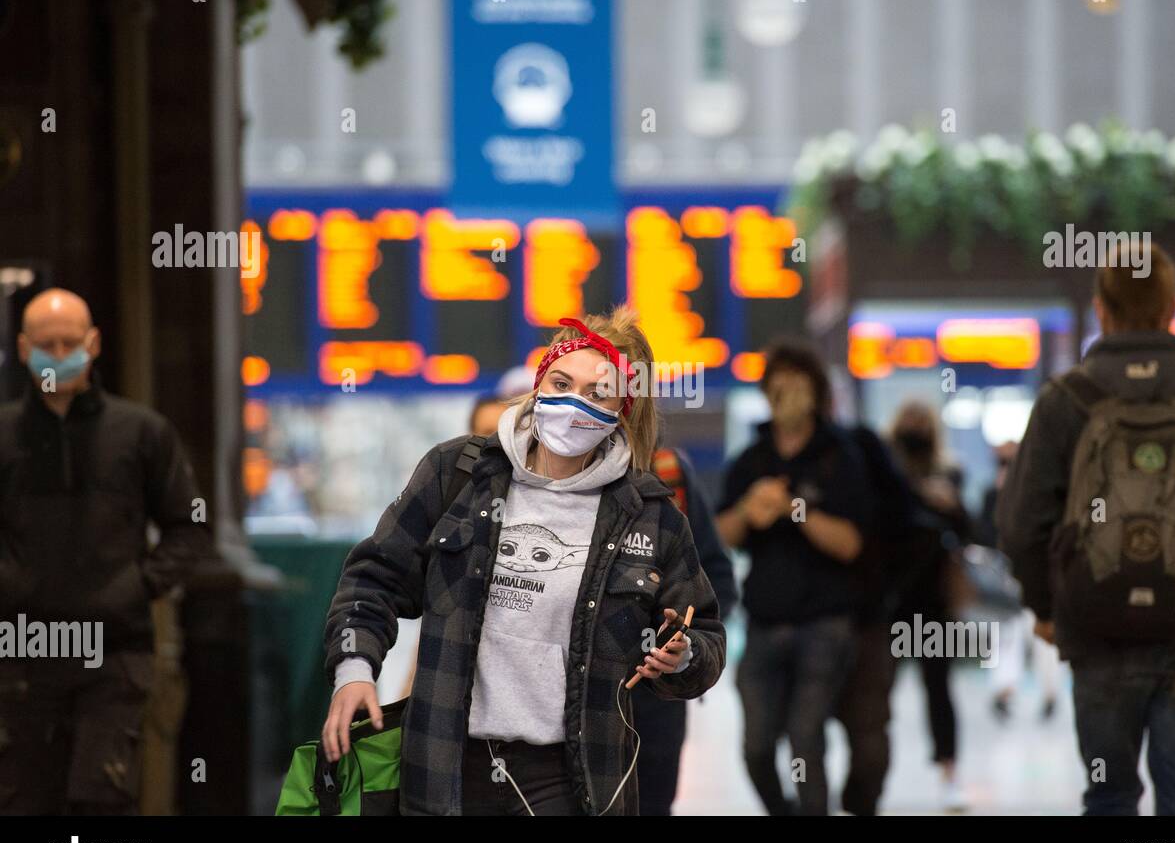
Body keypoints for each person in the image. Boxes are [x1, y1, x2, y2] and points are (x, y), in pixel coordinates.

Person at [321, 307, 726, 815]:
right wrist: (355, 670)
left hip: (571, 779)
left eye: (597, 392)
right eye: (561, 381)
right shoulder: (458, 474)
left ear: (622, 408)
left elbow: (705, 633)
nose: (573, 402)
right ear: (540, 382)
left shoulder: (650, 515)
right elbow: (373, 577)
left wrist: (683, 656)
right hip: (446, 765)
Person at [997, 240, 1175, 815]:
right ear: (1171, 306)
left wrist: (1047, 608)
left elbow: (1018, 525)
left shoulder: (1066, 399)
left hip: (1098, 630)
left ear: (1102, 308)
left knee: (1109, 797)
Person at [0, 288, 210, 814]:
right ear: (24, 349)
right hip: (22, 656)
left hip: (114, 654)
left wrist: (136, 587)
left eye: (70, 341)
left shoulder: (141, 432)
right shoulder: (3, 436)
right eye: (47, 343)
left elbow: (191, 526)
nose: (59, 351)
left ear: (93, 344)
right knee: (26, 800)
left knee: (102, 802)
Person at [716, 339, 865, 816]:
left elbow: (850, 543)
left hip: (824, 623)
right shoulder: (751, 460)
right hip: (763, 624)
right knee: (757, 746)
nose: (788, 395)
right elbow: (722, 534)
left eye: (798, 385)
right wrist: (748, 508)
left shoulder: (841, 456)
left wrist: (794, 509)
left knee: (806, 738)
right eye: (777, 385)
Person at [630, 445, 738, 815]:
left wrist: (687, 645)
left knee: (652, 802)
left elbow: (716, 575)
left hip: (654, 692)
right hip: (562, 699)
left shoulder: (668, 471)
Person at [888, 400, 971, 811]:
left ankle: (950, 772)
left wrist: (950, 505)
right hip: (887, 599)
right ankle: (870, 775)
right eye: (909, 420)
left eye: (922, 422)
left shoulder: (949, 472)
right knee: (875, 692)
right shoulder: (884, 472)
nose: (914, 428)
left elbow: (971, 533)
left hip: (933, 600)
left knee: (939, 690)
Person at [834, 422, 914, 815]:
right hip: (806, 618)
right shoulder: (779, 454)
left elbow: (905, 520)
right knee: (801, 736)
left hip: (870, 618)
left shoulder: (860, 444)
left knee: (869, 734)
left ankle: (859, 803)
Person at [975, 441, 1059, 723]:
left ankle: (1049, 693)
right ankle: (1004, 690)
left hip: (1037, 574)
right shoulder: (991, 495)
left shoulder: (1038, 493)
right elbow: (982, 535)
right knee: (1006, 634)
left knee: (1042, 633)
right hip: (1004, 576)